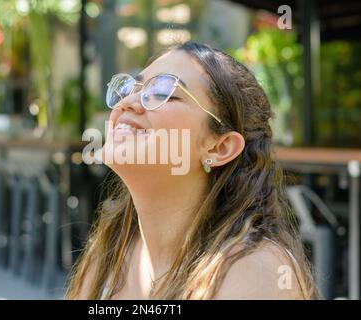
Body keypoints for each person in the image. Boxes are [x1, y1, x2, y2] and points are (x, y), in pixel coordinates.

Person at [65, 41, 317, 299]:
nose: (128, 102)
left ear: (219, 147)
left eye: (164, 92)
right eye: (130, 88)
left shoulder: (257, 274)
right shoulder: (112, 249)